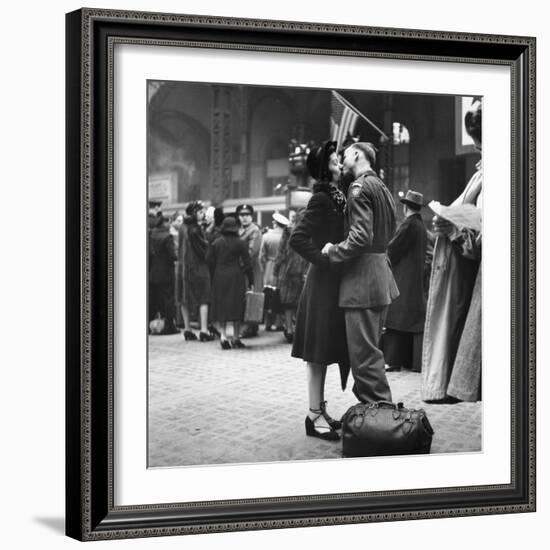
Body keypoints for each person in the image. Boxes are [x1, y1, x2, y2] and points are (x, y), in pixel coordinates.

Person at [322, 142, 398, 405]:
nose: (342, 160)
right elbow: (391, 230)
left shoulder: (358, 188)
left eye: (345, 155)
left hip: (361, 282)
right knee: (372, 351)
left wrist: (332, 251)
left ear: (357, 154)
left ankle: (378, 418)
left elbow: (360, 238)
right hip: (380, 277)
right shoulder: (382, 187)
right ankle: (377, 415)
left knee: (363, 356)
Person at [422, 98, 483, 402]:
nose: (477, 151)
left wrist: (455, 229)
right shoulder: (481, 175)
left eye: (481, 145)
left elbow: (487, 242)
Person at [290, 140, 349, 441]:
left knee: (323, 351)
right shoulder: (322, 199)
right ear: (325, 167)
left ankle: (318, 409)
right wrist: (324, 259)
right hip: (322, 285)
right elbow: (298, 238)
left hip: (331, 284)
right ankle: (313, 416)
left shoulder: (336, 195)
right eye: (336, 158)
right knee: (317, 353)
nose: (340, 159)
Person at [383, 190, 428, 373]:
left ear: (405, 207)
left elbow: (392, 249)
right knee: (409, 320)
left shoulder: (408, 224)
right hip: (414, 280)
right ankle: (408, 361)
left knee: (396, 318)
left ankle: (392, 361)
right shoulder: (421, 226)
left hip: (402, 279)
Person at [207, 216, 254, 349]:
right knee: (237, 306)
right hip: (236, 276)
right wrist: (250, 280)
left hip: (219, 276)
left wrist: (214, 273)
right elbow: (248, 263)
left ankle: (223, 337)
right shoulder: (241, 243)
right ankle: (235, 337)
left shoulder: (216, 243)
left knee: (222, 306)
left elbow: (209, 260)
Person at [273, 210, 309, 343]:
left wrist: (276, 270)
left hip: (287, 271)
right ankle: (300, 330)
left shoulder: (288, 231)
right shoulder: (309, 231)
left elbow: (281, 252)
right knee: (301, 302)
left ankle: (289, 329)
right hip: (303, 270)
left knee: (288, 302)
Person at [180, 200, 214, 342]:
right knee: (204, 299)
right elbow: (204, 250)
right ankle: (204, 331)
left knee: (185, 299)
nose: (203, 214)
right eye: (200, 212)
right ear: (194, 213)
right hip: (198, 268)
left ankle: (188, 329)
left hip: (183, 267)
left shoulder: (183, 226)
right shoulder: (195, 229)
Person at [149, 215, 179, 334]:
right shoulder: (167, 237)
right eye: (168, 222)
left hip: (153, 273)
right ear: (164, 223)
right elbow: (172, 256)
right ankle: (169, 326)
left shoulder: (151, 235)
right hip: (166, 273)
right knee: (168, 300)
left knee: (154, 300)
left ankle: (149, 325)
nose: (170, 224)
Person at [237, 204, 263, 338]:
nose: (244, 218)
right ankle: (250, 326)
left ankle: (250, 326)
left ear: (251, 216)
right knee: (246, 295)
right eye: (242, 215)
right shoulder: (239, 230)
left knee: (253, 295)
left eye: (247, 215)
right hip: (243, 268)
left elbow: (252, 252)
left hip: (251, 268)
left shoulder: (254, 230)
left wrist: (238, 264)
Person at [261, 212, 288, 331]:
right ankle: (279, 322)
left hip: (269, 266)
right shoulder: (287, 237)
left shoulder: (266, 236)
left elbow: (261, 256)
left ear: (275, 223)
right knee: (279, 294)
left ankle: (267, 322)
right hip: (282, 268)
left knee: (267, 295)